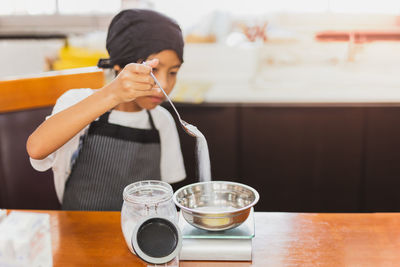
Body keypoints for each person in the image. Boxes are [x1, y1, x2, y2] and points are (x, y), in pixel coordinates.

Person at [26, 9, 186, 211]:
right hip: (78, 232)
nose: (163, 84)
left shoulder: (162, 121)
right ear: (120, 65)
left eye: (173, 72)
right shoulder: (79, 101)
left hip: (140, 234)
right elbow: (36, 148)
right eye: (153, 70)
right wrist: (113, 94)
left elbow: (167, 193)